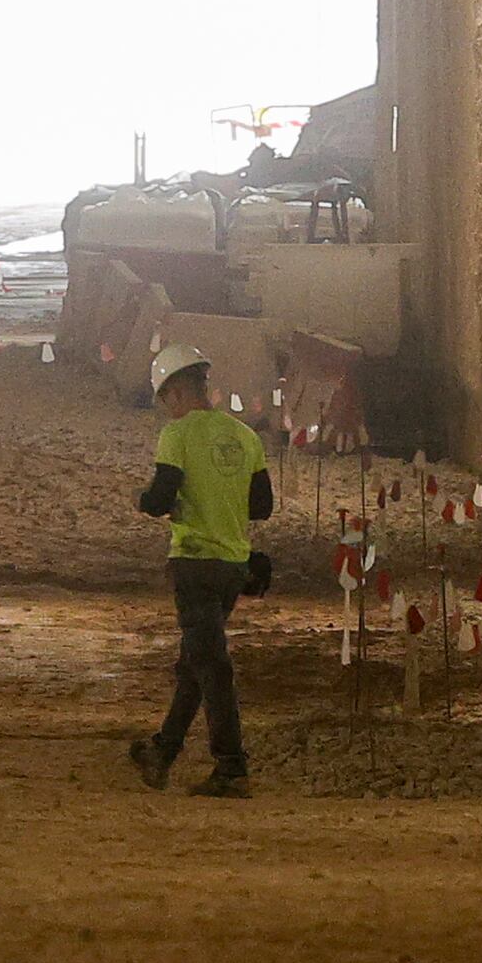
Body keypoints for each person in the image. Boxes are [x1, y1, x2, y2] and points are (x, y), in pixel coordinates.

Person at [129, 338, 271, 796]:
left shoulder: (177, 435)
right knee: (196, 660)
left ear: (174, 392)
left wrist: (143, 500)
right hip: (233, 566)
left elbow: (160, 498)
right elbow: (262, 506)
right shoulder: (246, 436)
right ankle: (163, 749)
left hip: (194, 563)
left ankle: (231, 767)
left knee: (211, 665)